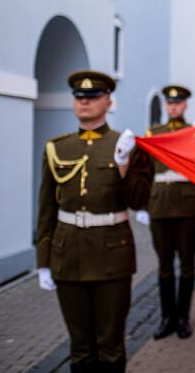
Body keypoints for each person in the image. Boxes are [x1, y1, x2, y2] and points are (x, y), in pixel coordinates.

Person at [35, 70, 143, 372]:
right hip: (68, 255)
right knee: (80, 348)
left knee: (110, 346)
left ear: (108, 101)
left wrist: (124, 165)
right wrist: (43, 260)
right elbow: (45, 208)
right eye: (79, 97)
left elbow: (139, 201)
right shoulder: (57, 148)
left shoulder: (124, 144)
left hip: (113, 255)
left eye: (93, 96)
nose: (84, 101)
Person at [136, 85, 195, 340]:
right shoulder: (154, 134)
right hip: (160, 207)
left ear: (185, 105)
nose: (173, 106)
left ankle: (184, 317)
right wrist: (143, 205)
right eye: (169, 103)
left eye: (178, 102)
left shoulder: (194, 134)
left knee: (187, 267)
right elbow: (143, 173)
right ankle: (167, 317)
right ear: (166, 106)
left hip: (188, 207)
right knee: (164, 267)